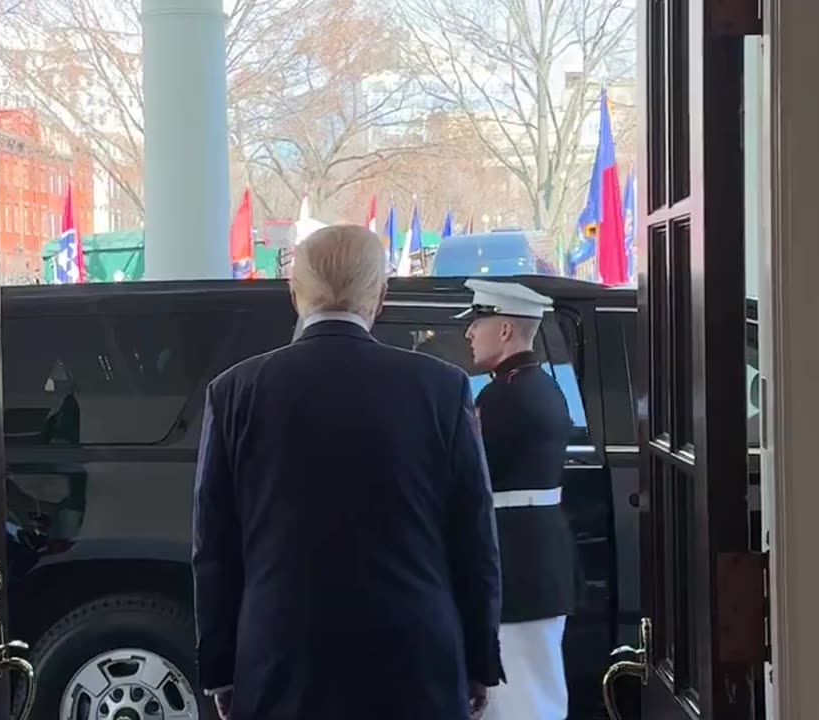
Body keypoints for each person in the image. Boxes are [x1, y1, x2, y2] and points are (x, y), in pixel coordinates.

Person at [193, 225, 504, 720]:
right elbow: (473, 538)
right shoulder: (442, 389)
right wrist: (481, 658)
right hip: (416, 655)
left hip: (280, 656)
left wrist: (221, 671)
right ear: (381, 296)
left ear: (295, 295)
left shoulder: (234, 391)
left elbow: (214, 550)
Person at [457, 279, 579, 720]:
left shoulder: (505, 396)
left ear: (505, 329)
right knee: (535, 689)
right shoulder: (540, 387)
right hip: (537, 563)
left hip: (516, 565)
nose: (469, 333)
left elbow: (469, 475)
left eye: (478, 322)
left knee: (520, 698)